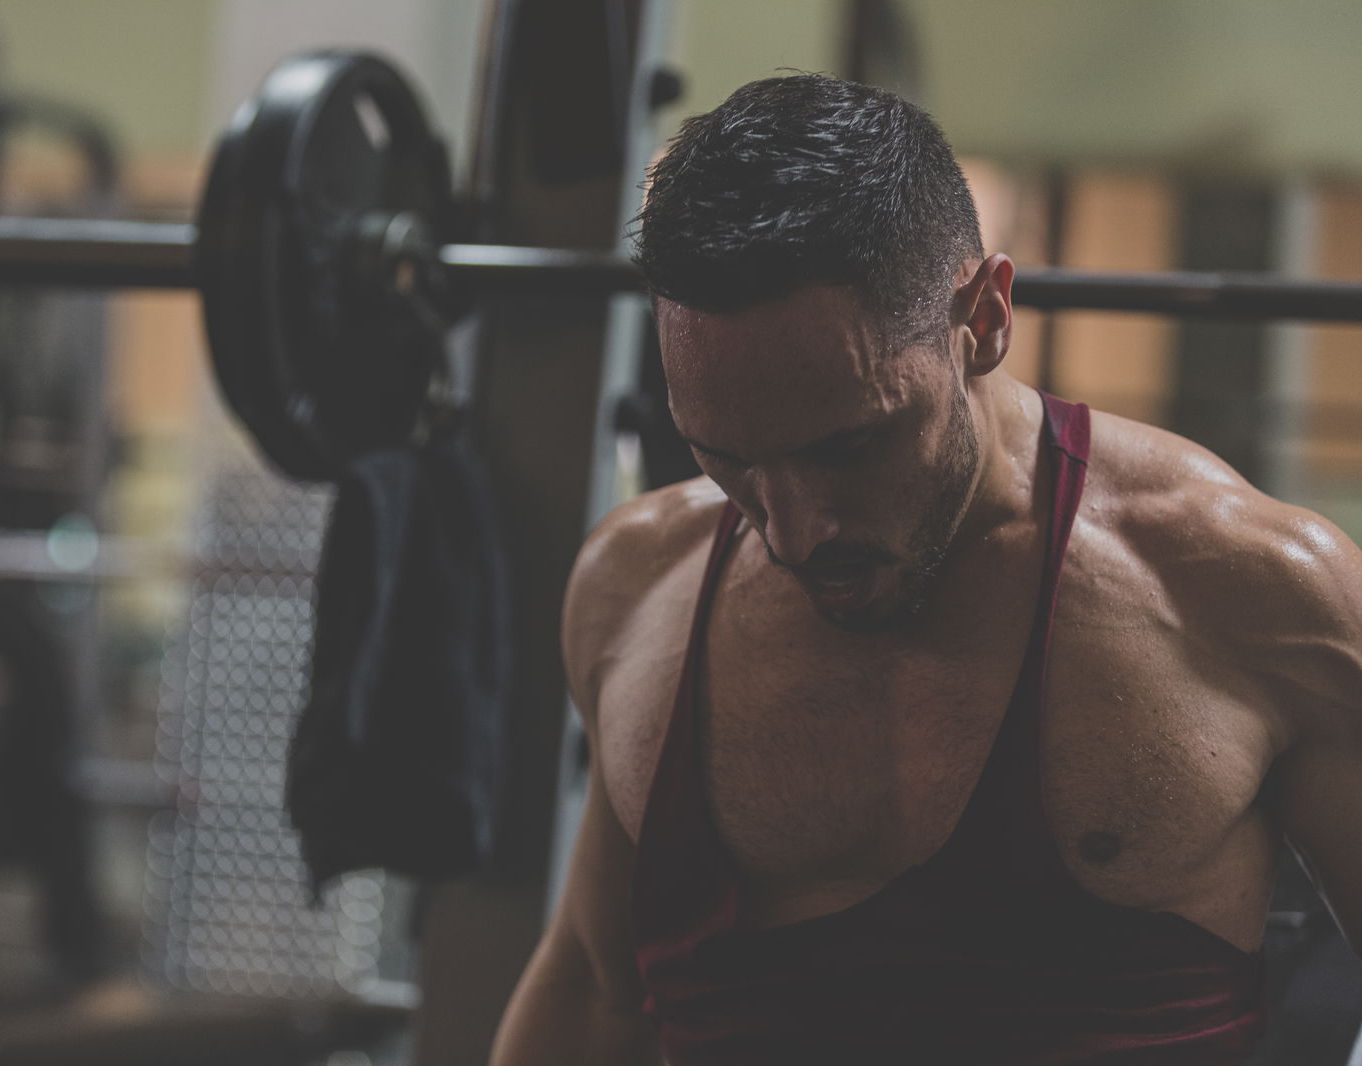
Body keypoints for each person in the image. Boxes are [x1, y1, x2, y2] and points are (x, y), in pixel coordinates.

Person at [488, 73, 1362, 1065]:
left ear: (983, 320)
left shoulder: (1241, 589)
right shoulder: (637, 586)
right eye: (727, 457)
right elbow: (595, 994)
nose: (795, 531)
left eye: (847, 448)